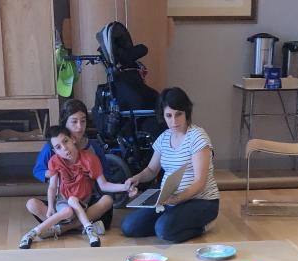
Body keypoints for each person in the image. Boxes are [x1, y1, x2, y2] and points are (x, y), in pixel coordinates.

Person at [121, 87, 220, 244]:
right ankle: (171, 220)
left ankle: (203, 225)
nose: (174, 121)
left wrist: (177, 198)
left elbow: (200, 182)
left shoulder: (197, 136)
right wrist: (137, 178)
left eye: (178, 114)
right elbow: (152, 170)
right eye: (169, 115)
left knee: (163, 230)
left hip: (202, 202)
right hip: (169, 200)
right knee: (129, 227)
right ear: (163, 116)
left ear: (186, 112)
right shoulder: (164, 137)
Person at [19, 125, 132, 249]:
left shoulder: (90, 159)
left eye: (65, 141)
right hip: (63, 203)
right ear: (55, 151)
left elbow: (104, 185)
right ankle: (85, 227)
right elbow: (52, 187)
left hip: (84, 203)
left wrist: (125, 187)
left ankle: (58, 230)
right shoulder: (55, 161)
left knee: (107, 200)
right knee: (37, 204)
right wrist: (51, 206)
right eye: (58, 147)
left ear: (72, 139)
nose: (64, 148)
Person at [27, 99, 113, 234]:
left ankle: (61, 228)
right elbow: (38, 170)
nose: (79, 127)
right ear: (65, 123)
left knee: (107, 203)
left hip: (86, 201)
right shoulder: (52, 147)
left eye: (83, 121)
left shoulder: (94, 147)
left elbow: (106, 177)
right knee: (32, 204)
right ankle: (83, 226)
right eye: (74, 121)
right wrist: (51, 173)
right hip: (62, 202)